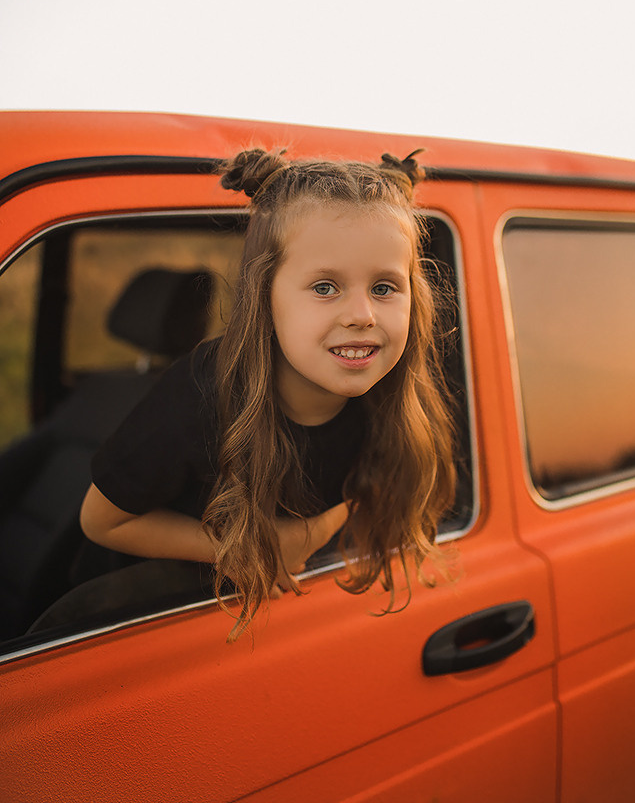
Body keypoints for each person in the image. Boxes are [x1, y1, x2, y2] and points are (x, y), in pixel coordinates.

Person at [79, 148, 457, 639]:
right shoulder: (201, 393)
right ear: (265, 295)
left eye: (385, 287)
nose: (363, 313)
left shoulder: (393, 398)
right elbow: (101, 522)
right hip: (131, 619)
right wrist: (250, 547)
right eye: (325, 287)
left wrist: (316, 534)